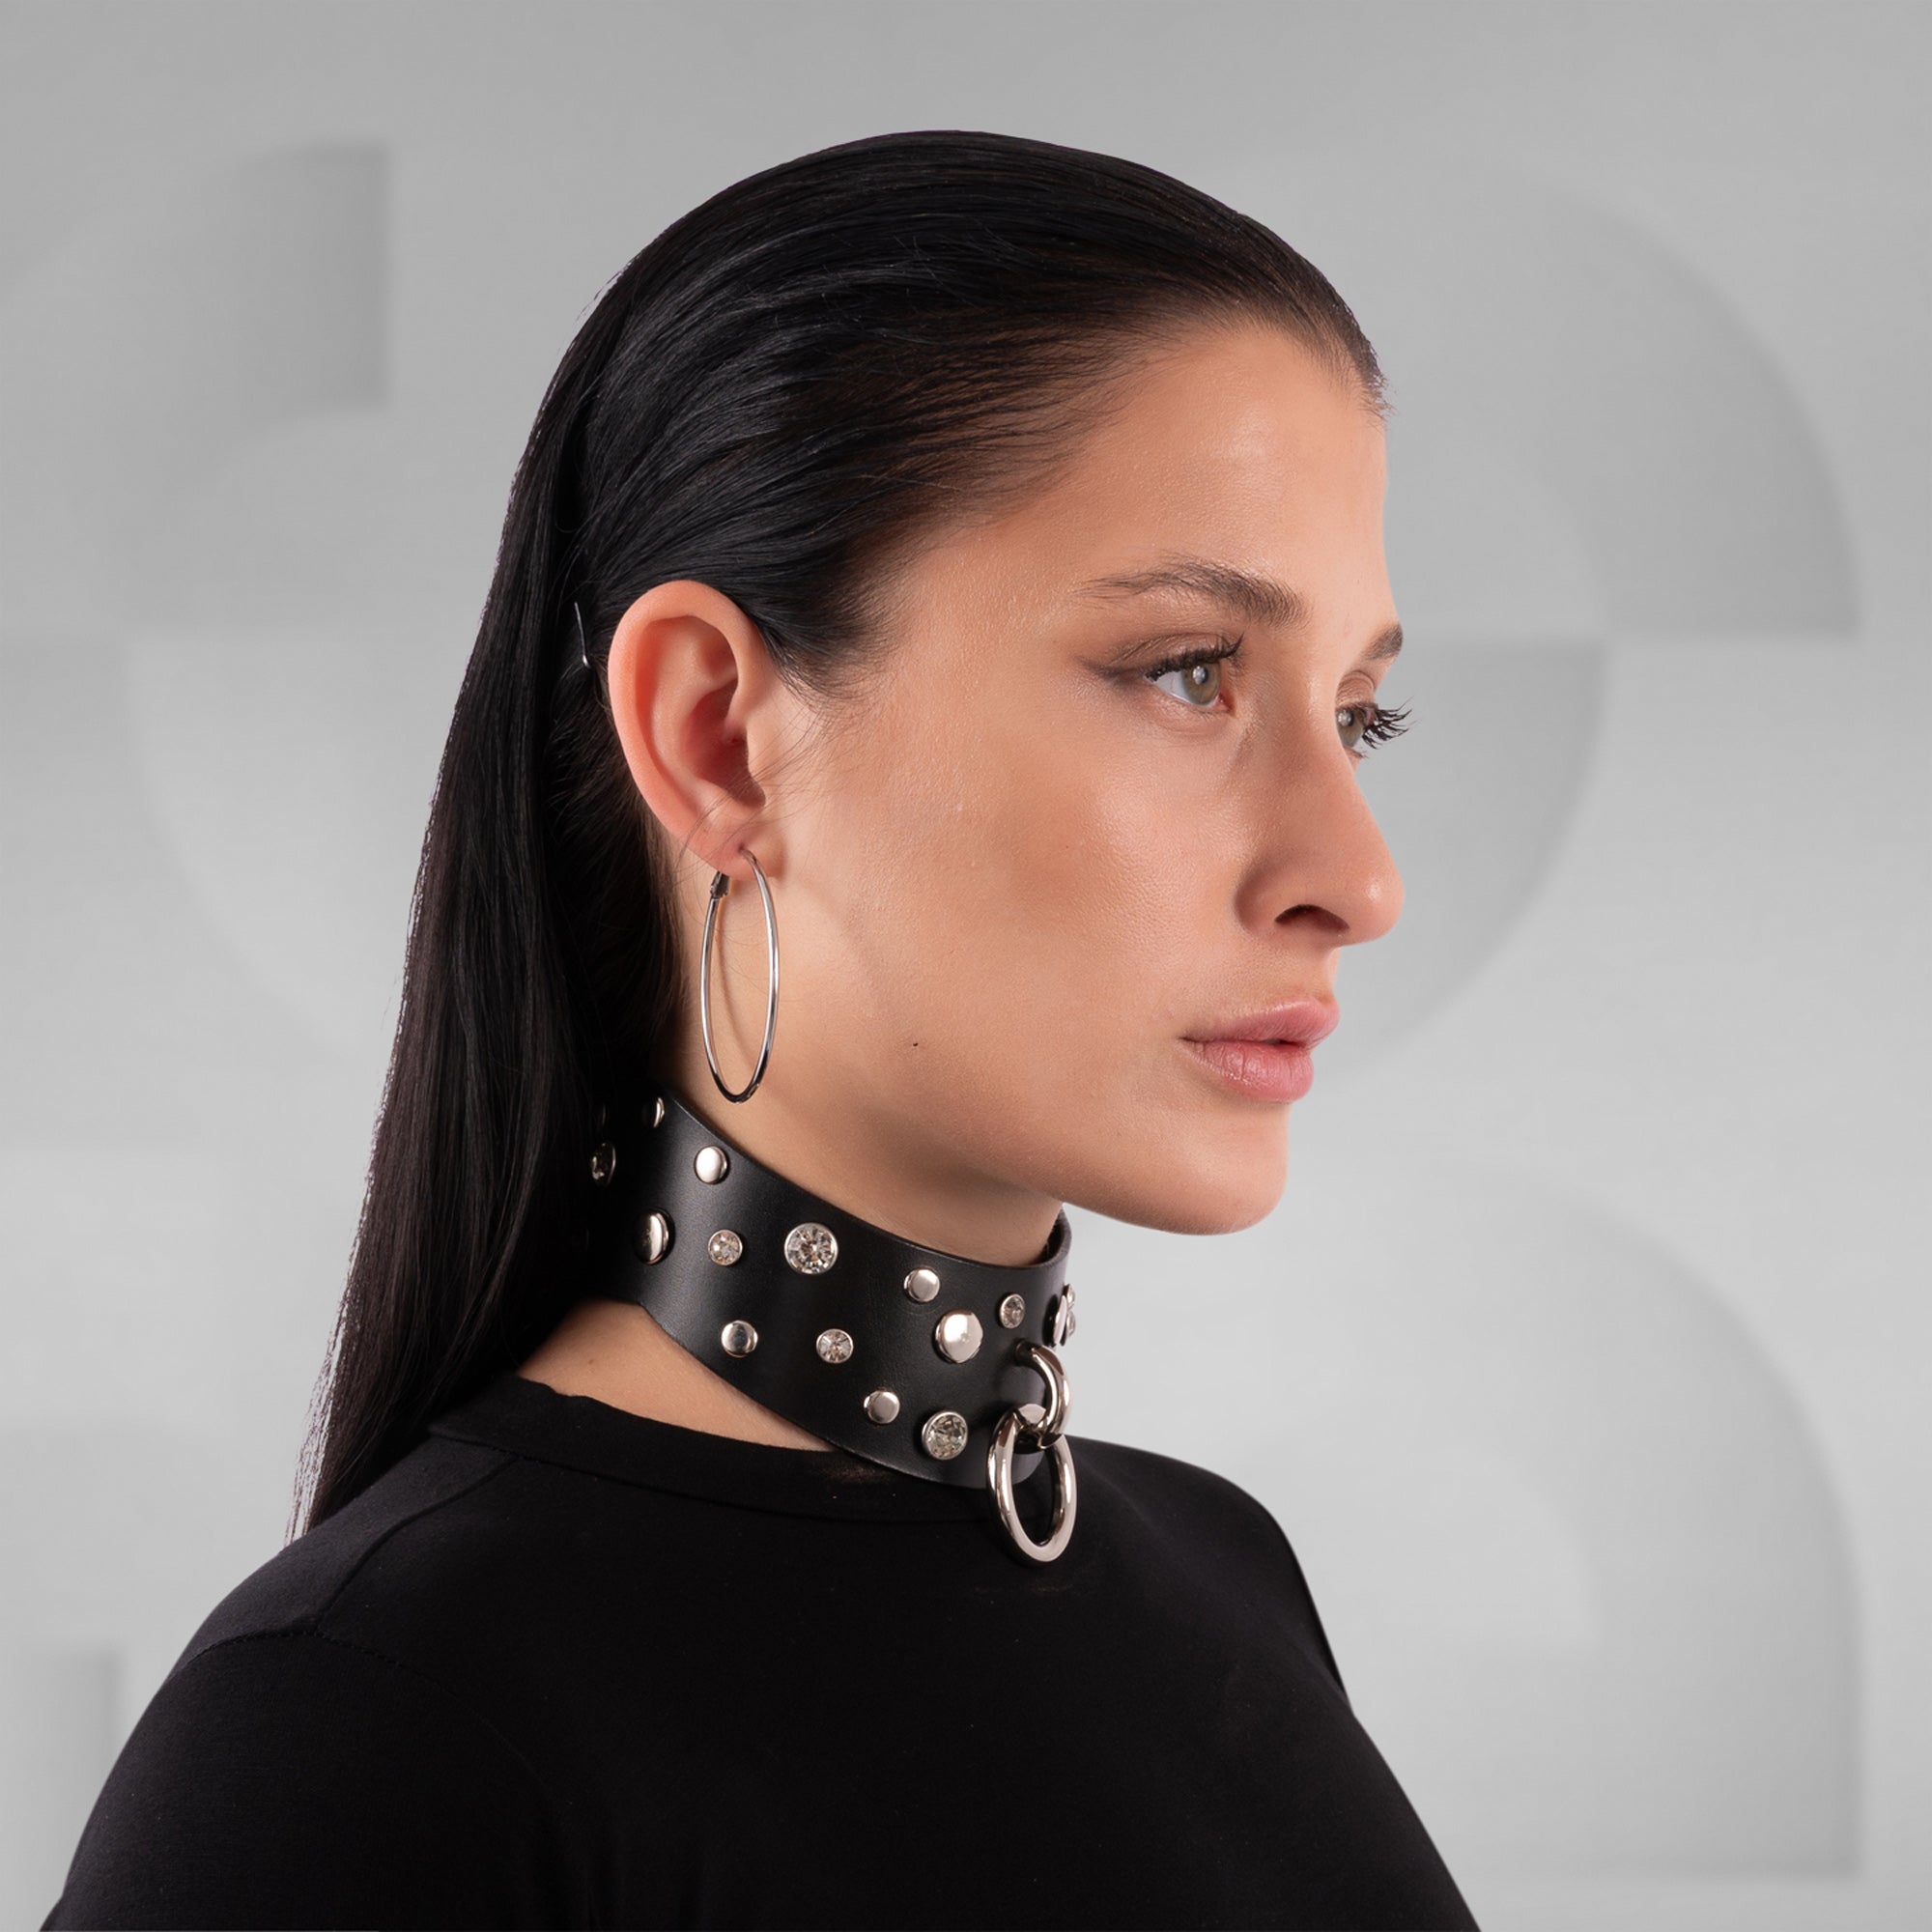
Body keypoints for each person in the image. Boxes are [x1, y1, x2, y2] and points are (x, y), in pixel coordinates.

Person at [43, 128, 1475, 1930]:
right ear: (718, 735)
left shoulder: (1225, 1574)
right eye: (1189, 671)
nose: (1358, 875)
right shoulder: (364, 1728)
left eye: (1362, 716)